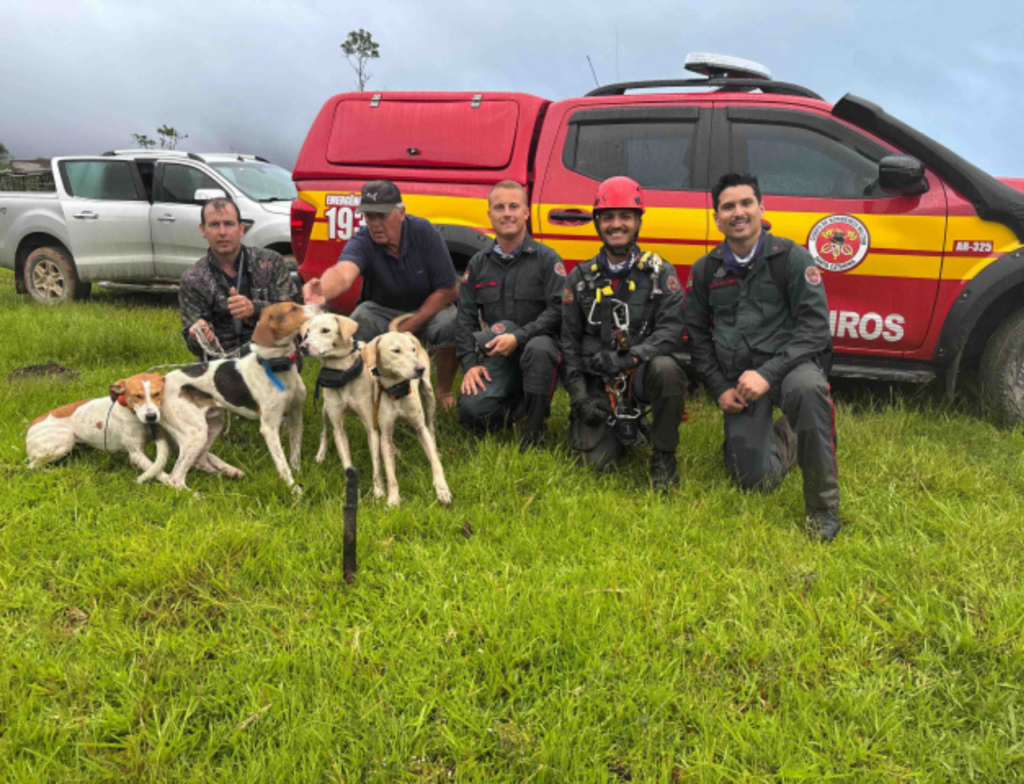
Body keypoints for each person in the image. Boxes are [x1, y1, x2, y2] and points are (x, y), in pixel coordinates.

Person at [685, 173, 840, 540]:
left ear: (761, 208)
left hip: (789, 368)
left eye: (746, 203)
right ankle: (792, 433)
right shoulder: (706, 270)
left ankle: (823, 508)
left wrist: (768, 374)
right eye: (728, 207)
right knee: (754, 480)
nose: (738, 213)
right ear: (716, 218)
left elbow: (815, 329)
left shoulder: (791, 258)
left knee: (807, 391)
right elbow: (698, 338)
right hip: (740, 381)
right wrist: (720, 388)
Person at [562, 176, 686, 491]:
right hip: (598, 382)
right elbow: (569, 344)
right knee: (594, 464)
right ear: (597, 223)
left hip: (640, 373)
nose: (616, 224)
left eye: (625, 217)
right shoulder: (579, 278)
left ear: (638, 221)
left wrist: (631, 356)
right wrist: (579, 401)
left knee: (667, 368)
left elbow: (672, 332)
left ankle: (664, 454)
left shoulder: (660, 273)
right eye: (607, 217)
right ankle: (621, 425)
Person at [302, 180, 459, 408]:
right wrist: (322, 290)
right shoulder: (363, 240)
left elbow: (448, 289)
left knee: (451, 322)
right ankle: (367, 392)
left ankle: (443, 393)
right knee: (359, 318)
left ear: (401, 213)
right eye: (369, 216)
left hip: (428, 308)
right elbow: (344, 272)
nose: (375, 224)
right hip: (383, 310)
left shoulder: (423, 232)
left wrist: (409, 326)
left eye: (381, 216)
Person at [455, 181, 564, 451]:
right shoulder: (478, 264)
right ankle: (516, 408)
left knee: (539, 348)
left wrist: (519, 337)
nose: (507, 213)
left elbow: (560, 309)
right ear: (489, 214)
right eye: (499, 207)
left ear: (526, 212)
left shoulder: (547, 259)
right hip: (497, 353)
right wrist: (470, 364)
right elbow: (465, 318)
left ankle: (535, 429)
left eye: (514, 206)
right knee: (472, 413)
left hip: (538, 350)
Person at [179, 197, 296, 358]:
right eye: (214, 225)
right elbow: (195, 348)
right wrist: (199, 335)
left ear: (241, 229)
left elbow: (291, 316)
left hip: (272, 353)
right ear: (203, 230)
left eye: (229, 224)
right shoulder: (193, 278)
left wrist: (254, 308)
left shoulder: (271, 261)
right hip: (223, 362)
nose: (222, 232)